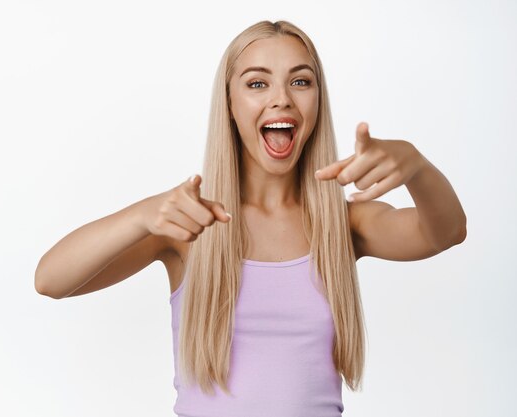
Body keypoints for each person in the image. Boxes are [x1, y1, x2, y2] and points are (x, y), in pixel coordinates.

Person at [34, 20, 467, 417]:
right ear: (230, 103)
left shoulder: (344, 225)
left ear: (318, 101)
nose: (282, 98)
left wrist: (417, 167)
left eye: (301, 81)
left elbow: (446, 232)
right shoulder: (189, 227)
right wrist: (143, 215)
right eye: (257, 83)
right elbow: (51, 280)